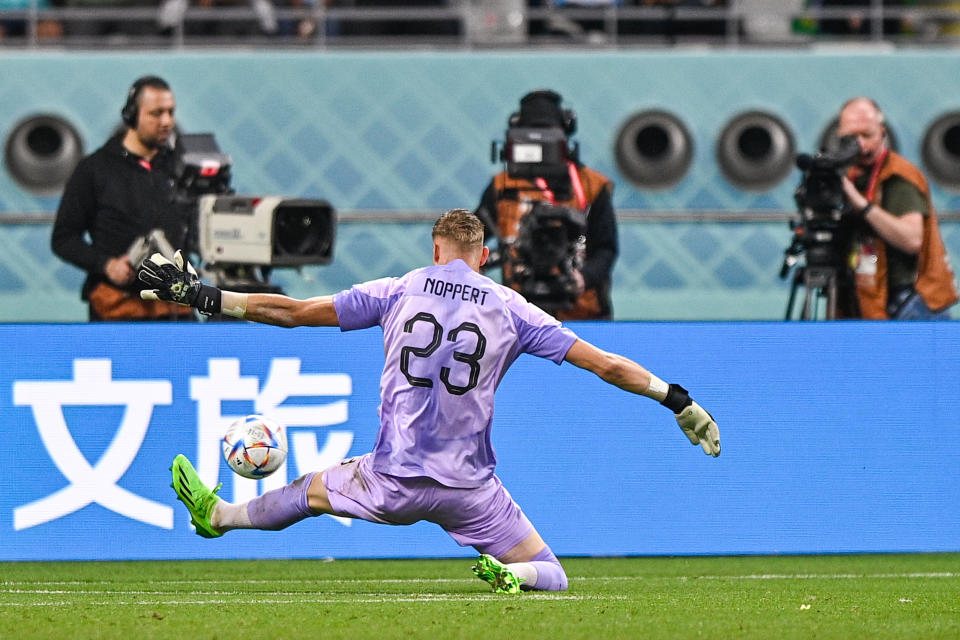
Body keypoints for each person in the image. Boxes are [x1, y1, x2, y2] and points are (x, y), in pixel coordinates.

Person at [142, 209, 720, 594]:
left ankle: (218, 517)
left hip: (389, 481)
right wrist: (678, 400)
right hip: (470, 491)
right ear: (483, 256)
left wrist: (204, 295)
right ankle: (514, 575)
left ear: (436, 249)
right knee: (554, 574)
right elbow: (606, 364)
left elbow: (292, 312)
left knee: (306, 492)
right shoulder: (514, 309)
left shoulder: (398, 290)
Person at [51, 75, 195, 322]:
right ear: (131, 115)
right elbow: (64, 238)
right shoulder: (95, 169)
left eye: (171, 112)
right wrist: (106, 265)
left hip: (176, 306)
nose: (166, 122)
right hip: (118, 308)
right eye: (156, 113)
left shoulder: (182, 168)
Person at [475, 89, 618, 320]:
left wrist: (583, 279)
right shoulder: (501, 186)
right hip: (519, 314)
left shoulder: (592, 186)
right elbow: (473, 237)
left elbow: (606, 248)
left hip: (582, 314)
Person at [837, 97, 958, 319]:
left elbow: (912, 239)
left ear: (882, 133)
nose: (860, 145)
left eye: (867, 135)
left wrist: (861, 205)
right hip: (876, 296)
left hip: (913, 303)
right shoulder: (852, 176)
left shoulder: (898, 176)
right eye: (851, 138)